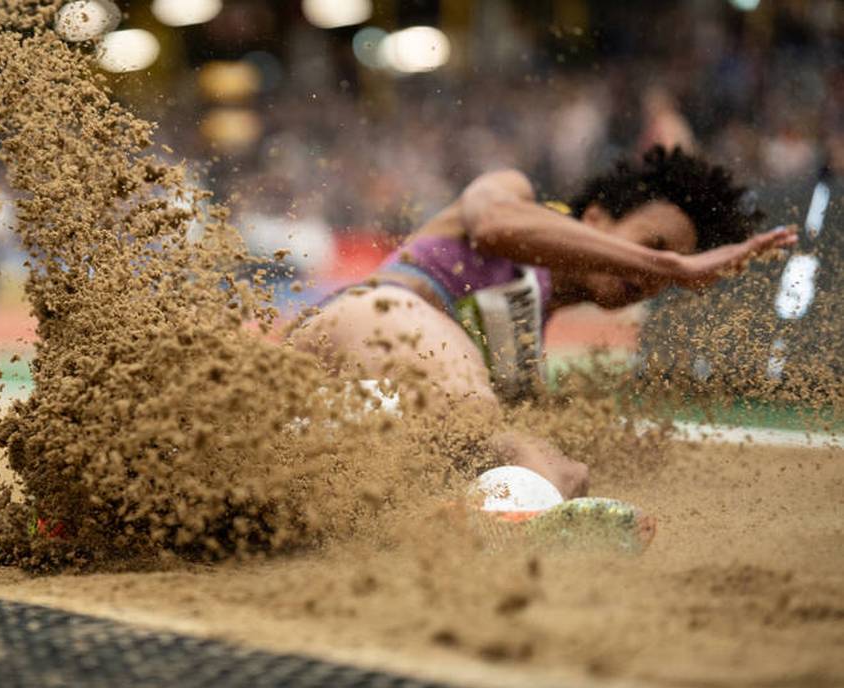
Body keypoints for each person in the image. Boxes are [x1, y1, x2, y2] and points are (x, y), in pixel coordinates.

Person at [288, 146, 797, 498]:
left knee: (551, 462)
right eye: (653, 244)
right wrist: (674, 266)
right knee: (504, 440)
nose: (652, 278)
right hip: (367, 317)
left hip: (327, 406)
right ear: (595, 219)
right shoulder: (512, 193)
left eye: (665, 273)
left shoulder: (528, 348)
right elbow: (492, 225)